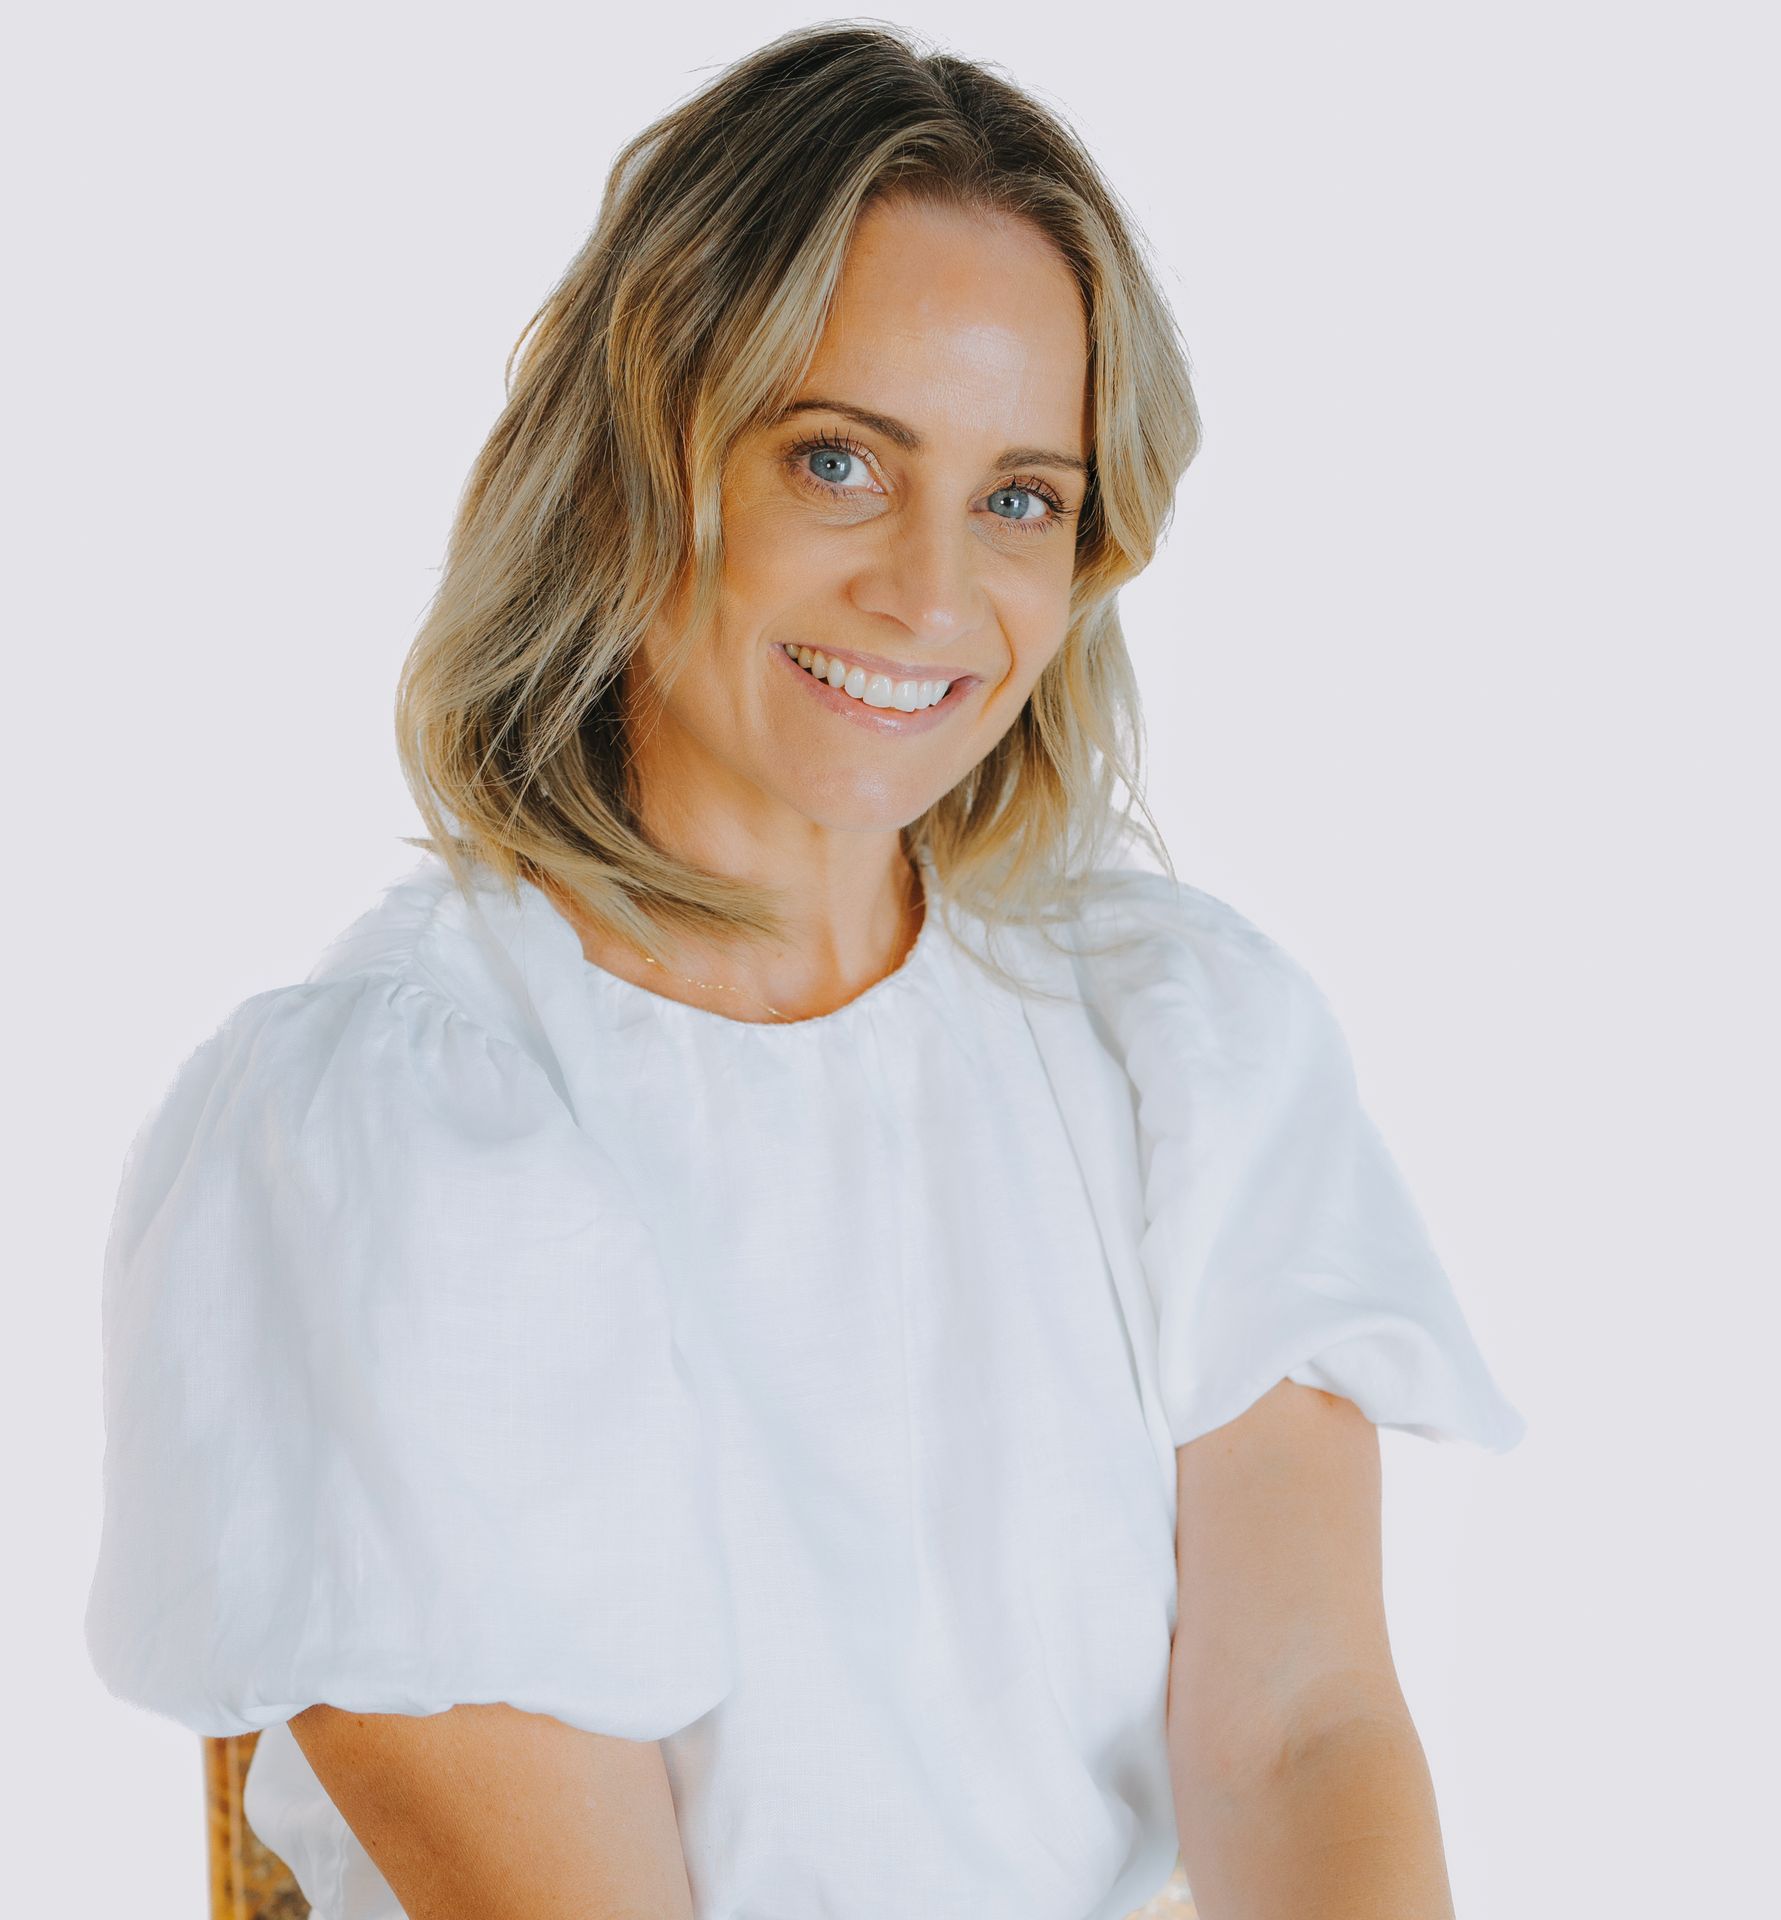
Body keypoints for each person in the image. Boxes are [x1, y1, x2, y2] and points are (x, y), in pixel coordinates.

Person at [84, 22, 1525, 1920]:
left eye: (1021, 495)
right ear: (636, 464)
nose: (934, 598)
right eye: (839, 460)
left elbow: (1299, 1734)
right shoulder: (397, 1138)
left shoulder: (1180, 1041)